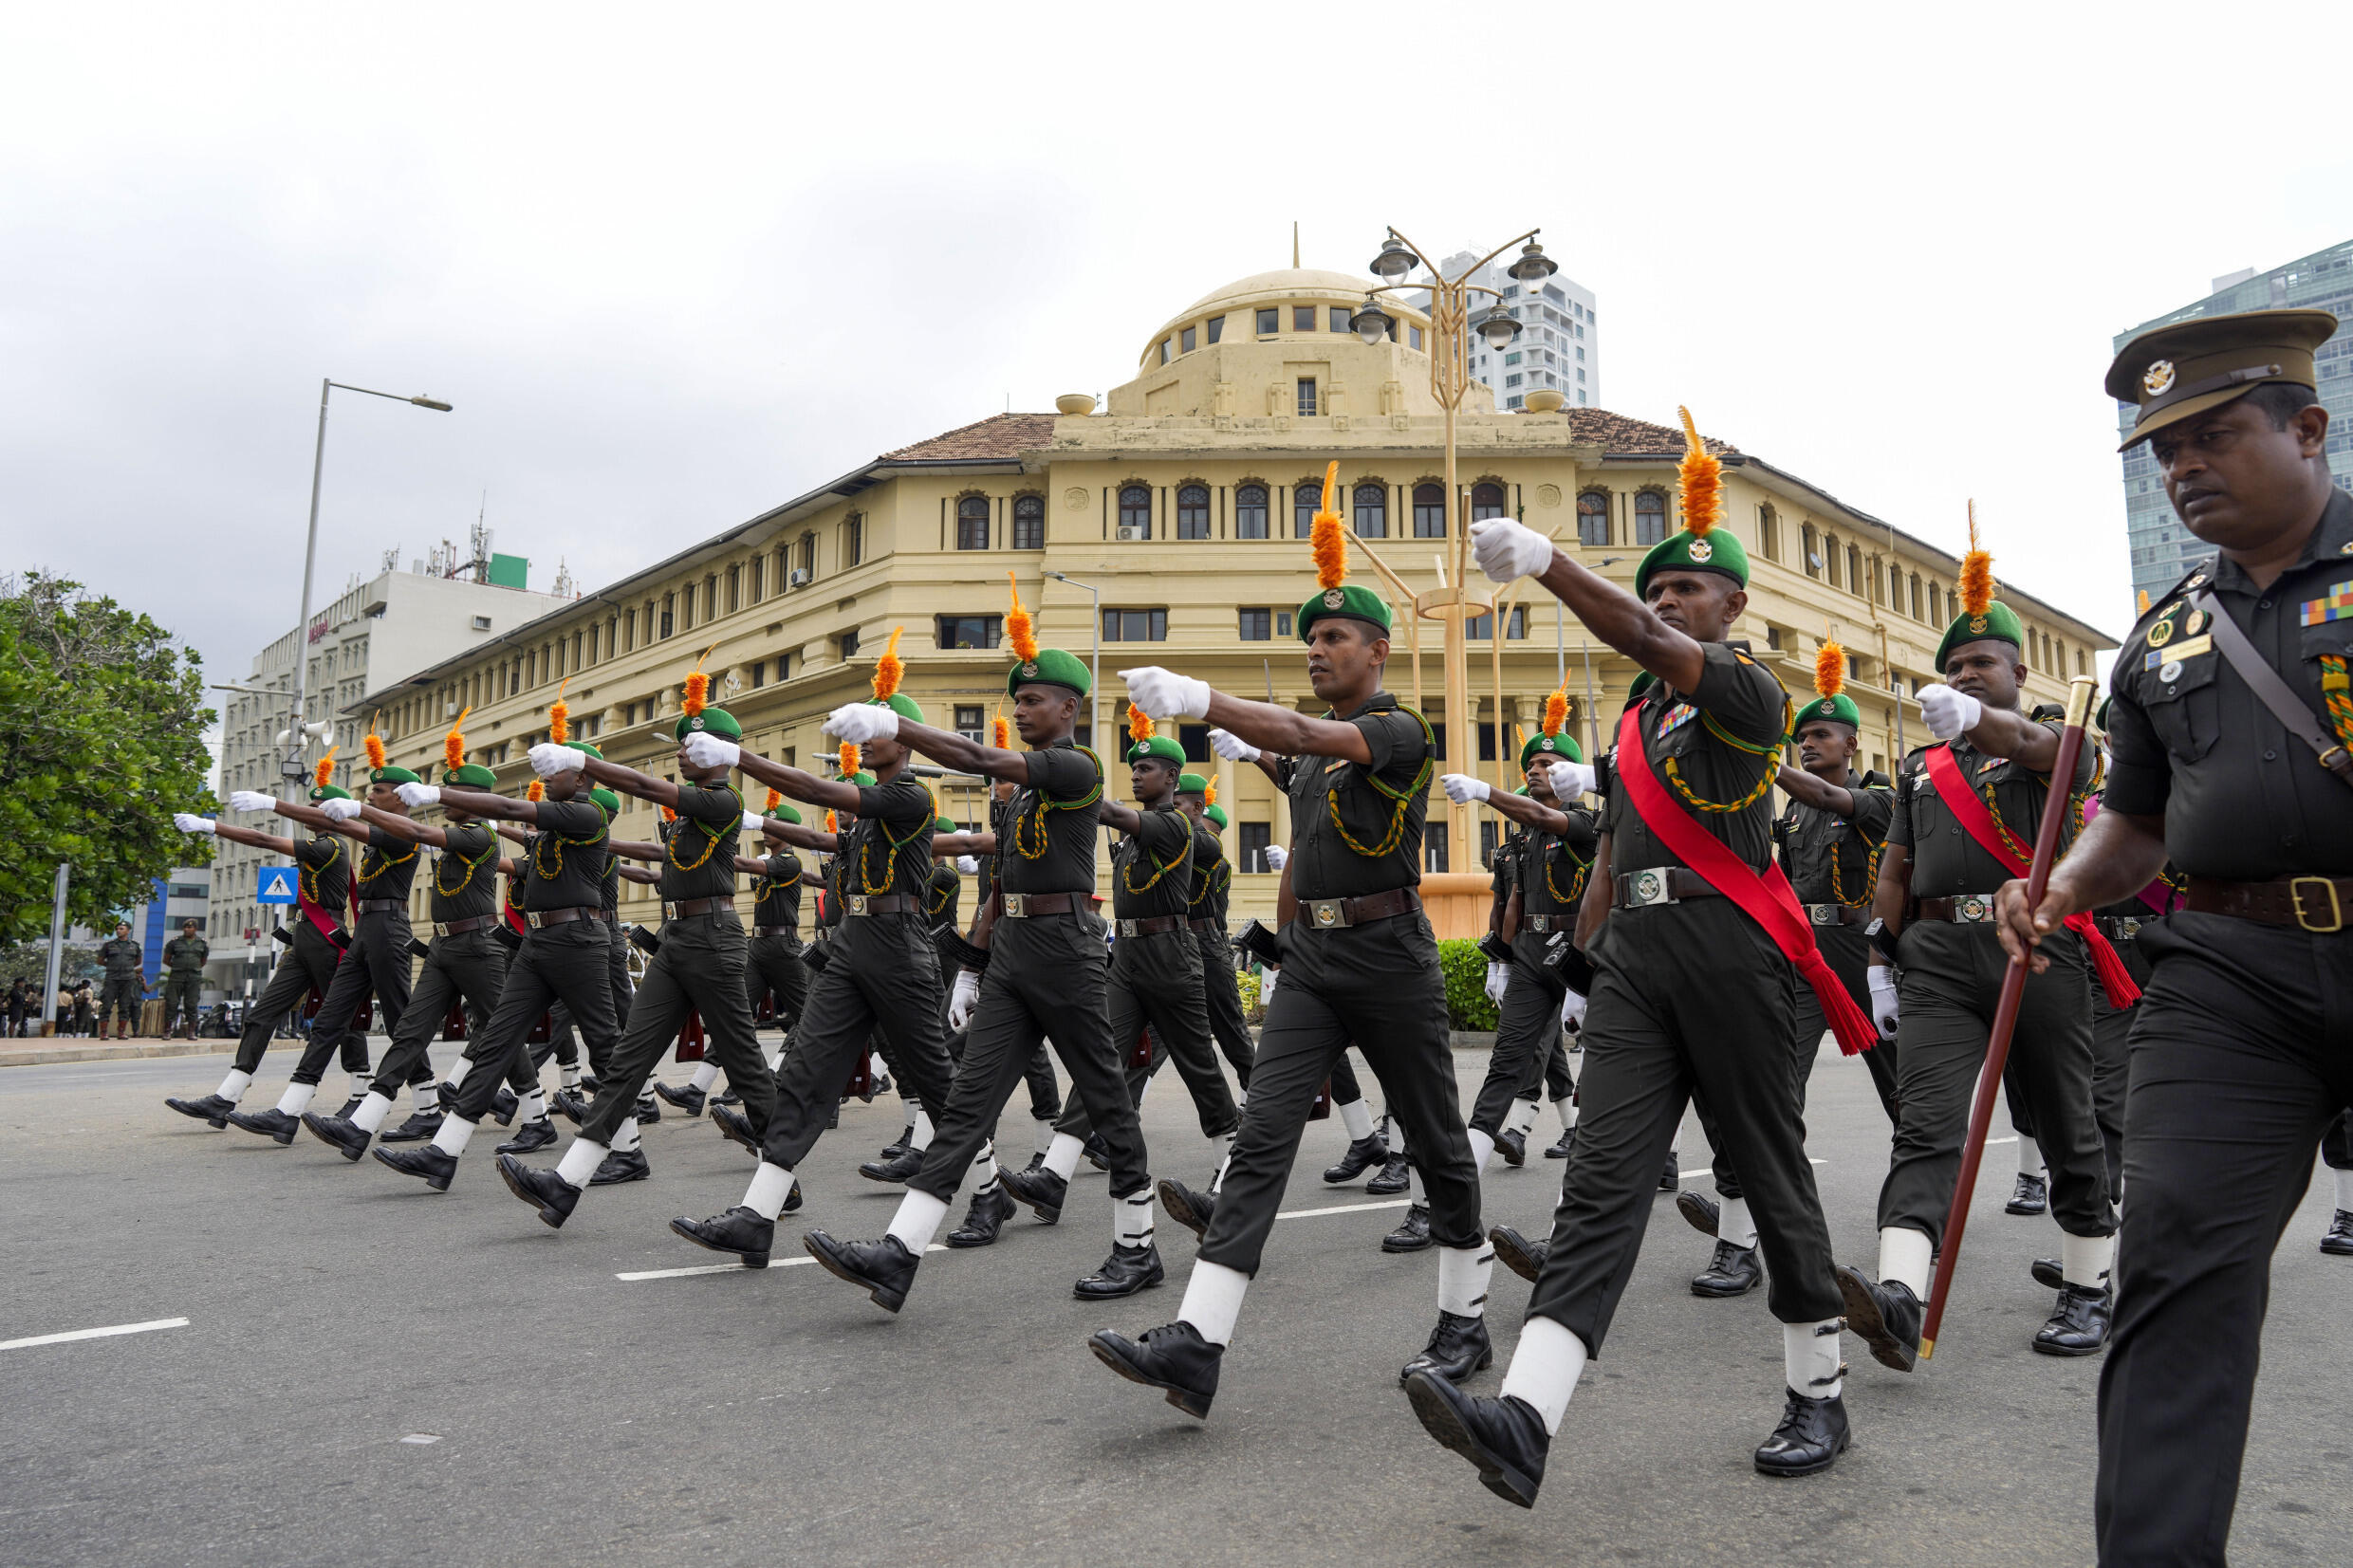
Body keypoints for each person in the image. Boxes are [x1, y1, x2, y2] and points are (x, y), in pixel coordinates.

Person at [1406, 412, 1874, 1502]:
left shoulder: (1748, 691)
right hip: (1635, 961)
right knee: (1601, 1182)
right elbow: (1612, 855)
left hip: (1730, 950)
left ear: (1731, 607)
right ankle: (1525, 1417)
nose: (1666, 604)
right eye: (1654, 590)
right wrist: (1579, 967)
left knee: (1766, 1167)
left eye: (1686, 591)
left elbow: (1653, 649)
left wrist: (1552, 564)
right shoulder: (1635, 726)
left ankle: (1817, 1387)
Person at [1992, 306, 2351, 1567]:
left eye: (2213, 436)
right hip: (2230, 980)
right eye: (2164, 452)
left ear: (2307, 429)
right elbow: (2135, 823)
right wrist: (2060, 889)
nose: (2184, 466)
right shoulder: (2163, 635)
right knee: (2174, 1269)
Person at [1092, 466, 1491, 1420]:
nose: (1316, 649)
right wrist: (1259, 758)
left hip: (1388, 956)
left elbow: (1312, 740)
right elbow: (1303, 762)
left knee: (1438, 1141)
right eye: (1309, 639)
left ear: (1377, 651)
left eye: (1333, 638)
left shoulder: (1398, 730)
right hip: (1314, 963)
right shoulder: (1321, 751)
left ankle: (1465, 1316)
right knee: (1263, 1135)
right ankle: (1198, 1340)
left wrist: (1207, 702)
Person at [773, 605, 1164, 1303]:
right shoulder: (1020, 801)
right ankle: (900, 1251)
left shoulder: (1077, 768)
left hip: (1068, 951)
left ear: (1069, 708)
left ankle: (1138, 1245)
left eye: (1034, 699)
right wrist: (974, 969)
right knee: (966, 1106)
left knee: (1106, 1099)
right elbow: (1002, 886)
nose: (1021, 709)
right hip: (1014, 954)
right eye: (1019, 699)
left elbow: (981, 757)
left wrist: (896, 726)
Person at [1835, 511, 2128, 1371]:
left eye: (1981, 664)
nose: (1964, 675)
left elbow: (2033, 743)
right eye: (1955, 667)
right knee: (1926, 1124)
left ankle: (2088, 1282)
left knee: (2068, 1120)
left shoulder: (2062, 741)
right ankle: (1900, 1292)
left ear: (2017, 672)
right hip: (1935, 958)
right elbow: (1897, 869)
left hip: (2035, 951)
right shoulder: (1923, 766)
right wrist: (1881, 961)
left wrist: (1975, 718)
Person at [661, 633, 960, 1280]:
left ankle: (986, 1187)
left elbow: (827, 797)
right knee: (802, 1074)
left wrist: (739, 757)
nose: (864, 743)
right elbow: (822, 830)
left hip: (900, 947)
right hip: (853, 945)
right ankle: (757, 1214)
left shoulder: (910, 796)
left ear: (904, 742)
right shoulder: (871, 813)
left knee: (939, 1083)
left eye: (877, 733)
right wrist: (757, 823)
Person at [499, 670, 779, 1212]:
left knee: (744, 1063)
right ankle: (568, 1181)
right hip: (678, 938)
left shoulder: (722, 800)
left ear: (719, 751)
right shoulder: (692, 810)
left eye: (691, 746)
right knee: (628, 1057)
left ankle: (779, 1179)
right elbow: (660, 855)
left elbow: (647, 787)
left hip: (714, 938)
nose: (680, 753)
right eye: (681, 745)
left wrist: (580, 761)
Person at [1678, 640, 1900, 1300]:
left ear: (1852, 744)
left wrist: (1758, 755)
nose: (1808, 744)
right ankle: (1742, 1236)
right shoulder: (1795, 811)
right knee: (1768, 1093)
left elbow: (1831, 798)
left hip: (1863, 957)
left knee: (1906, 1097)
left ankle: (1920, 1213)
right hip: (1804, 958)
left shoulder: (1879, 797)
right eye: (1801, 737)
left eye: (1821, 735)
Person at [369, 742, 620, 1195]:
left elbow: (508, 807)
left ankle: (628, 1148)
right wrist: (482, 819)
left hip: (578, 941)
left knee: (605, 1046)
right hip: (538, 942)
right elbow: (512, 841)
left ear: (582, 778)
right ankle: (444, 1151)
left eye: (555, 772)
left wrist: (439, 796)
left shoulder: (587, 815)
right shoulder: (554, 831)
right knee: (496, 1042)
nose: (545, 780)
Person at [1049, 709, 1240, 1241]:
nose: (1136, 774)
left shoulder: (1174, 824)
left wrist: (1066, 783)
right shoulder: (1136, 834)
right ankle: (1053, 1174)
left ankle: (1232, 1176)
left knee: (1200, 1066)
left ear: (1172, 779)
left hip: (1171, 955)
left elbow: (1111, 813)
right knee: (1100, 1057)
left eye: (1146, 768)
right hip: (1129, 956)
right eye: (1133, 768)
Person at [301, 711, 519, 1161]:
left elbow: (416, 831)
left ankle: (532, 1112)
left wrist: (340, 810)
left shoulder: (473, 836)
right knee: (410, 1031)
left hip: (477, 944)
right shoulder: (459, 835)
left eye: (453, 793)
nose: (368, 795)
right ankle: (362, 1125)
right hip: (441, 942)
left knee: (501, 1031)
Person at [165, 757, 365, 1128]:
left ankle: (359, 1096)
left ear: (334, 815)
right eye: (309, 805)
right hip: (304, 940)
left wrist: (211, 826)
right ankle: (226, 1097)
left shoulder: (331, 847)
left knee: (342, 1020)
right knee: (261, 1016)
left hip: (325, 940)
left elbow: (263, 839)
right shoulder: (320, 844)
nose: (309, 812)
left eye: (317, 807)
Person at [96, 922, 145, 1040]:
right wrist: (112, 966)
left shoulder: (135, 945)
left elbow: (138, 961)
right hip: (112, 978)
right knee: (107, 1005)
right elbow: (100, 960)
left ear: (128, 931)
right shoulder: (109, 945)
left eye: (121, 929)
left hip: (128, 979)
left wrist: (127, 967)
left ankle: (121, 1032)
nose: (118, 931)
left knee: (124, 1006)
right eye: (117, 929)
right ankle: (103, 1032)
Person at [161, 919, 209, 1040]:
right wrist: (178, 967)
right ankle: (167, 1031)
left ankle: (191, 1032)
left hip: (193, 977)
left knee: (191, 1004)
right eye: (185, 927)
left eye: (190, 928)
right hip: (177, 976)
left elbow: (203, 961)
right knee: (172, 1003)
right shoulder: (174, 942)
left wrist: (192, 968)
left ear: (195, 929)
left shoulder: (202, 943)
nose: (187, 929)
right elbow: (166, 959)